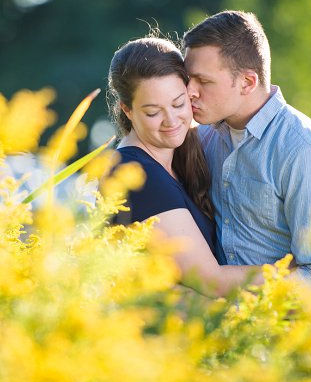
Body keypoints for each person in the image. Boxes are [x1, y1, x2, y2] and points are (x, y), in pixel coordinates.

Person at [182, 10, 311, 294]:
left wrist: (219, 284)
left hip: (293, 333)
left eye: (203, 81)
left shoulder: (306, 151)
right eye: (187, 79)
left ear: (248, 83)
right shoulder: (203, 139)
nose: (190, 91)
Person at [106, 37, 264, 297]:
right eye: (153, 112)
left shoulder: (181, 156)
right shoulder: (137, 174)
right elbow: (212, 281)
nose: (171, 120)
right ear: (128, 110)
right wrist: (297, 273)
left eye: (179, 104)